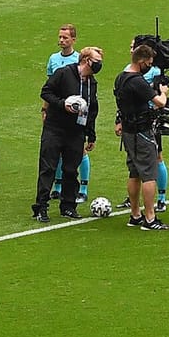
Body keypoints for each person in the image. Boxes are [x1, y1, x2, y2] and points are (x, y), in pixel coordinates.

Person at [36, 46, 103, 222]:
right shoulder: (63, 73)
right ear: (86, 60)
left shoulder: (92, 83)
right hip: (55, 128)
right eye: (96, 61)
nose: (99, 65)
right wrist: (62, 104)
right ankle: (41, 207)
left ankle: (68, 206)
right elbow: (46, 92)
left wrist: (91, 134)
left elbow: (92, 109)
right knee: (48, 168)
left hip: (76, 132)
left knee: (71, 170)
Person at [116, 42, 169, 230]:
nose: (150, 65)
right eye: (148, 62)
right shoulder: (138, 81)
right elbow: (160, 102)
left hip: (128, 132)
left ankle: (135, 214)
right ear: (141, 61)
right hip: (142, 132)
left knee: (134, 172)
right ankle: (150, 218)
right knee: (149, 174)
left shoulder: (120, 78)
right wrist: (163, 92)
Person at [47, 24, 91, 202]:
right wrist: (45, 109)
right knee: (57, 150)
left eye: (65, 38)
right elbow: (49, 85)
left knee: (80, 151)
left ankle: (83, 187)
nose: (61, 40)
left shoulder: (79, 59)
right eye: (60, 37)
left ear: (74, 39)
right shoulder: (53, 59)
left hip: (76, 112)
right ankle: (57, 186)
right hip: (57, 110)